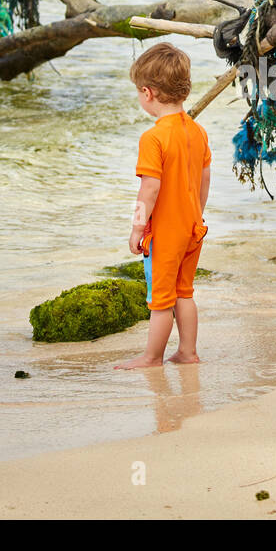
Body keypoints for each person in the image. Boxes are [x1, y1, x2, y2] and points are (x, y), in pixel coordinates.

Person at [114, 42, 211, 369]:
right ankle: (187, 351)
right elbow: (204, 177)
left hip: (167, 235)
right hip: (193, 228)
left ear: (147, 93)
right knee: (184, 292)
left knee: (160, 300)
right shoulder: (197, 132)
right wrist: (195, 213)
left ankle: (152, 357)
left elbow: (149, 189)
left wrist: (137, 227)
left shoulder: (153, 138)